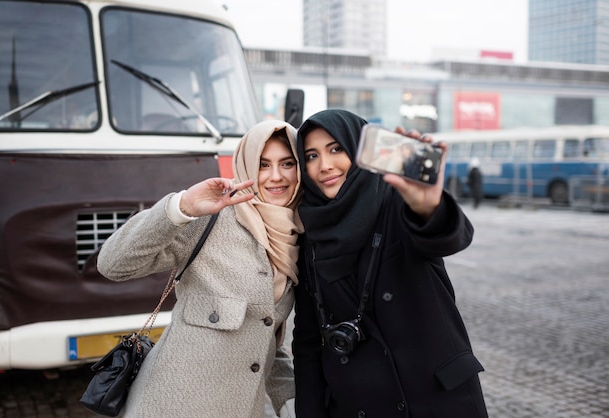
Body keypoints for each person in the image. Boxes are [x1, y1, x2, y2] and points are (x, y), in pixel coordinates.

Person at [97, 120, 302, 417]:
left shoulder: (297, 236)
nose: (276, 176)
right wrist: (180, 208)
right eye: (262, 164)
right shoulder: (213, 220)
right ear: (245, 165)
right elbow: (113, 265)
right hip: (171, 406)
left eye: (287, 163)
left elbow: (266, 333)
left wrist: (287, 398)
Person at [292, 109, 488, 417]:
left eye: (336, 149)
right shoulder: (310, 232)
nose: (324, 166)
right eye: (311, 156)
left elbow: (449, 238)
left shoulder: (398, 201)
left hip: (436, 399)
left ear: (360, 152)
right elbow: (307, 343)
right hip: (358, 405)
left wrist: (429, 207)